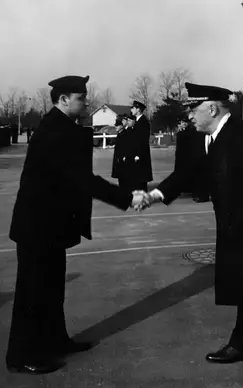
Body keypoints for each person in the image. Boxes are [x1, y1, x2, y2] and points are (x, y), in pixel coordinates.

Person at [138, 82, 243, 363]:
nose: (189, 115)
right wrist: (154, 195)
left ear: (212, 109)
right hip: (233, 224)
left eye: (193, 109)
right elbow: (186, 173)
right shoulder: (205, 138)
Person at [6, 75, 144, 375]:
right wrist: (126, 197)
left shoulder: (62, 126)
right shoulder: (56, 130)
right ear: (63, 99)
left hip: (50, 224)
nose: (86, 101)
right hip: (37, 225)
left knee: (52, 288)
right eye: (80, 97)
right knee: (32, 292)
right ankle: (21, 356)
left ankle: (55, 341)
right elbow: (82, 179)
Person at [174, 117, 209, 202]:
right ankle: (198, 194)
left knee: (201, 178)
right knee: (198, 178)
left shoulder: (195, 131)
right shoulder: (192, 131)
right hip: (197, 156)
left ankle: (202, 195)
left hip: (202, 156)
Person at [128, 100, 153, 191]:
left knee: (141, 179)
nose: (131, 110)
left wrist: (138, 154)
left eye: (133, 108)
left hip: (141, 155)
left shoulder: (143, 122)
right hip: (137, 154)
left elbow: (142, 140)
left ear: (138, 109)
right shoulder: (138, 122)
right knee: (138, 178)